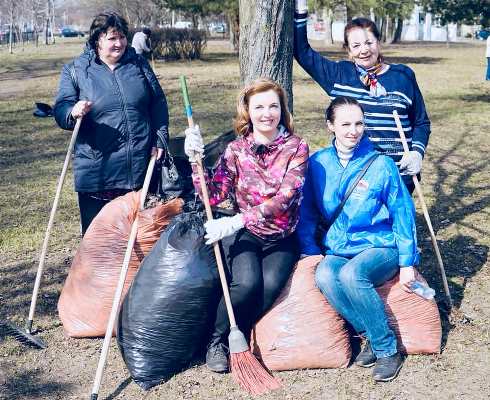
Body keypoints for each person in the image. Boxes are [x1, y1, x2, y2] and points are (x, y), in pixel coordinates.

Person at [184, 78, 309, 373]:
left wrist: (237, 220)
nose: (267, 113)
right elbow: (213, 195)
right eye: (259, 107)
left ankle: (236, 333)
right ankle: (215, 342)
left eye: (273, 106)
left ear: (282, 110)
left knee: (268, 289)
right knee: (247, 285)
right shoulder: (236, 150)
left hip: (281, 237)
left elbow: (286, 197)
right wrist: (194, 160)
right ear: (248, 112)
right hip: (248, 235)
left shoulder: (296, 147)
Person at [297, 96, 419, 382]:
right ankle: (370, 335)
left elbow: (402, 212)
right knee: (325, 275)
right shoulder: (318, 164)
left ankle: (387, 350)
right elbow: (307, 212)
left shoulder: (381, 164)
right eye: (345, 124)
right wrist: (310, 249)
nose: (353, 131)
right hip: (339, 246)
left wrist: (407, 262)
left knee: (352, 275)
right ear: (330, 125)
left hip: (381, 246)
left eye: (359, 123)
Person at [294, 0, 431, 194]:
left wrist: (417, 153)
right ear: (348, 50)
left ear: (378, 43)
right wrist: (300, 10)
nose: (364, 50)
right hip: (358, 177)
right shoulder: (338, 75)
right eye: (356, 45)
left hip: (399, 175)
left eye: (369, 43)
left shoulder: (403, 76)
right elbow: (302, 51)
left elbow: (421, 122)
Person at [54, 12, 169, 235]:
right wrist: (72, 111)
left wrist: (160, 137)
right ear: (97, 40)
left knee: (140, 240)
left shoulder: (138, 63)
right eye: (112, 38)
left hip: (140, 169)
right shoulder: (76, 70)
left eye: (122, 37)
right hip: (98, 174)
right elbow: (61, 108)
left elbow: (158, 104)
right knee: (99, 242)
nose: (119, 43)